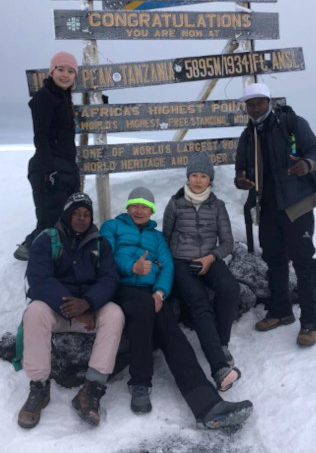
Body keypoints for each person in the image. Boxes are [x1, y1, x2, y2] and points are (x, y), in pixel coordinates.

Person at [100, 186, 253, 431]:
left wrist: (160, 292)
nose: (139, 210)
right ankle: (140, 383)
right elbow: (105, 257)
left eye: (145, 207)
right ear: (127, 208)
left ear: (151, 211)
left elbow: (168, 267)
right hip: (120, 288)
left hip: (150, 294)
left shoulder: (158, 237)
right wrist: (132, 267)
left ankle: (208, 406)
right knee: (143, 308)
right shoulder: (112, 227)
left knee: (174, 337)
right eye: (135, 205)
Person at [17, 192, 125, 429]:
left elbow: (109, 279)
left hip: (88, 311)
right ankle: (39, 387)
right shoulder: (47, 240)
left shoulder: (100, 243)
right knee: (34, 312)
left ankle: (91, 389)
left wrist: (88, 302)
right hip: (58, 310)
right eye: (76, 213)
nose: (81, 218)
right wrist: (74, 308)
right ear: (66, 215)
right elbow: (38, 279)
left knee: (115, 314)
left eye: (86, 214)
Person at [234, 82, 316, 347]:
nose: (254, 107)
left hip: (297, 205)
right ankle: (280, 311)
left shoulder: (293, 123)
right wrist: (242, 181)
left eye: (259, 102)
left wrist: (307, 165)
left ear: (269, 101)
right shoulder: (247, 136)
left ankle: (310, 322)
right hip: (268, 207)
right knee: (274, 260)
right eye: (250, 104)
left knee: (303, 263)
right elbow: (241, 170)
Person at [162, 151, 241, 392]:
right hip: (181, 262)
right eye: (194, 175)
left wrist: (210, 257)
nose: (197, 180)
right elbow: (165, 239)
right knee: (199, 304)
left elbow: (228, 242)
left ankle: (222, 343)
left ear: (210, 179)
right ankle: (219, 368)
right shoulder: (175, 203)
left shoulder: (218, 206)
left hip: (210, 259)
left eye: (203, 176)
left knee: (230, 288)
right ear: (188, 177)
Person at [14, 52, 80, 261]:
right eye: (60, 69)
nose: (65, 75)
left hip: (65, 166)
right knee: (48, 218)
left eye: (70, 71)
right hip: (48, 167)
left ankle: (53, 252)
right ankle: (32, 252)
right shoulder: (44, 97)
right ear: (52, 71)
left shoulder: (62, 97)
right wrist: (50, 170)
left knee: (62, 216)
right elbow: (40, 137)